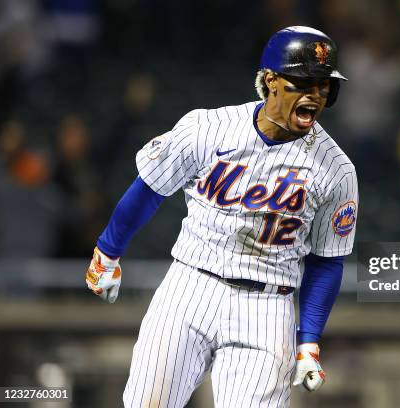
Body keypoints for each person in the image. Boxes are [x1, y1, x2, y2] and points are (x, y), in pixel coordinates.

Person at [85, 26, 358, 408]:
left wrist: (309, 338)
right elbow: (150, 188)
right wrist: (106, 251)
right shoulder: (207, 128)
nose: (316, 94)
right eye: (304, 82)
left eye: (324, 85)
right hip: (190, 286)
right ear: (270, 81)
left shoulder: (336, 170)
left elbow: (327, 260)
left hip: (268, 306)